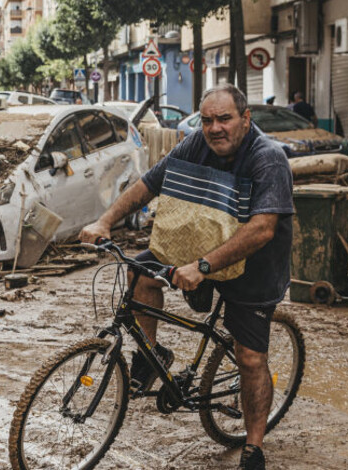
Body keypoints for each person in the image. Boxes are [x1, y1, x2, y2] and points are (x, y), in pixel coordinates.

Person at [80, 84, 294, 470]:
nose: (215, 128)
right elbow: (149, 183)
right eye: (208, 119)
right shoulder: (194, 144)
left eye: (225, 119)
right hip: (199, 247)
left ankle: (254, 445)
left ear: (246, 119)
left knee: (249, 356)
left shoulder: (268, 158)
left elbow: (262, 228)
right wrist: (105, 220)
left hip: (255, 265)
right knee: (140, 275)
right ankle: (151, 353)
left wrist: (204, 267)